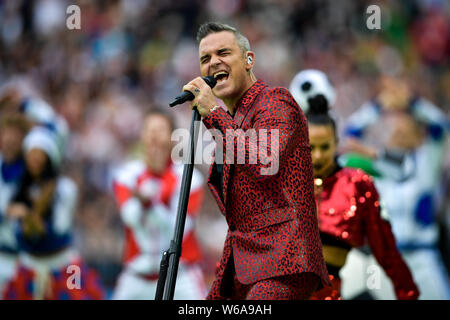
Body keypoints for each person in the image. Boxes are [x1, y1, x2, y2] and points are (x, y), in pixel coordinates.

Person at [182, 22, 329, 300]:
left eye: (223, 53)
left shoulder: (276, 102)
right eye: (205, 58)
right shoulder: (230, 124)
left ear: (249, 60)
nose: (213, 63)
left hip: (284, 262)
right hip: (246, 267)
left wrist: (213, 111)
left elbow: (263, 163)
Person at [289, 69, 420, 300]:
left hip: (353, 263)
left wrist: (369, 149)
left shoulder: (352, 163)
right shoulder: (287, 171)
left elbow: (404, 170)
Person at [341, 75, 450, 300]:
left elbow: (440, 125)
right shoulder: (376, 164)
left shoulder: (426, 160)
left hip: (423, 256)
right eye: (395, 130)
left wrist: (411, 102)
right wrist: (378, 106)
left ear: (417, 135)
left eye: (405, 129)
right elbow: (349, 136)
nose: (399, 133)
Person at [111, 111, 206, 300]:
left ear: (172, 138)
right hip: (136, 277)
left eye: (160, 130)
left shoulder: (189, 177)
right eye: (149, 130)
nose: (154, 136)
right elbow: (129, 218)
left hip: (180, 277)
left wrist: (149, 202)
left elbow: (179, 230)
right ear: (142, 136)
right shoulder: (126, 175)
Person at [3, 126, 104, 300]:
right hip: (28, 266)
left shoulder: (65, 190)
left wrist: (28, 216)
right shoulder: (18, 188)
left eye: (39, 154)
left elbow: (57, 229)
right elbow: (15, 231)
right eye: (31, 154)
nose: (35, 160)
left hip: (62, 265)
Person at [0, 114, 30, 298]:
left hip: (22, 259)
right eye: (6, 133)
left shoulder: (31, 174)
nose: (10, 139)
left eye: (15, 134)